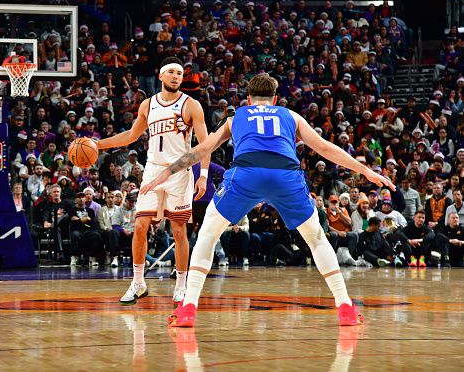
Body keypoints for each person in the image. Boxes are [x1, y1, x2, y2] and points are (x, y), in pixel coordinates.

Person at [141, 73, 394, 326]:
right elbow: (325, 148)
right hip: (286, 175)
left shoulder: (235, 117)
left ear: (248, 99)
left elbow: (202, 149)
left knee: (207, 234)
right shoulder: (291, 116)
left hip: (246, 174)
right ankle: (345, 308)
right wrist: (366, 171)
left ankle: (188, 308)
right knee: (316, 239)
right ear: (275, 99)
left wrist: (166, 171)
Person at [96, 57, 210, 305]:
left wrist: (203, 175)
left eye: (179, 74)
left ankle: (181, 284)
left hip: (180, 173)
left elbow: (205, 143)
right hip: (152, 171)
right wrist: (98, 144)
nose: (176, 77)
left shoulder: (192, 106)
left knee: (179, 231)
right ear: (160, 76)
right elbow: (131, 135)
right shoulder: (148, 105)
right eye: (170, 72)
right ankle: (138, 283)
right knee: (139, 227)